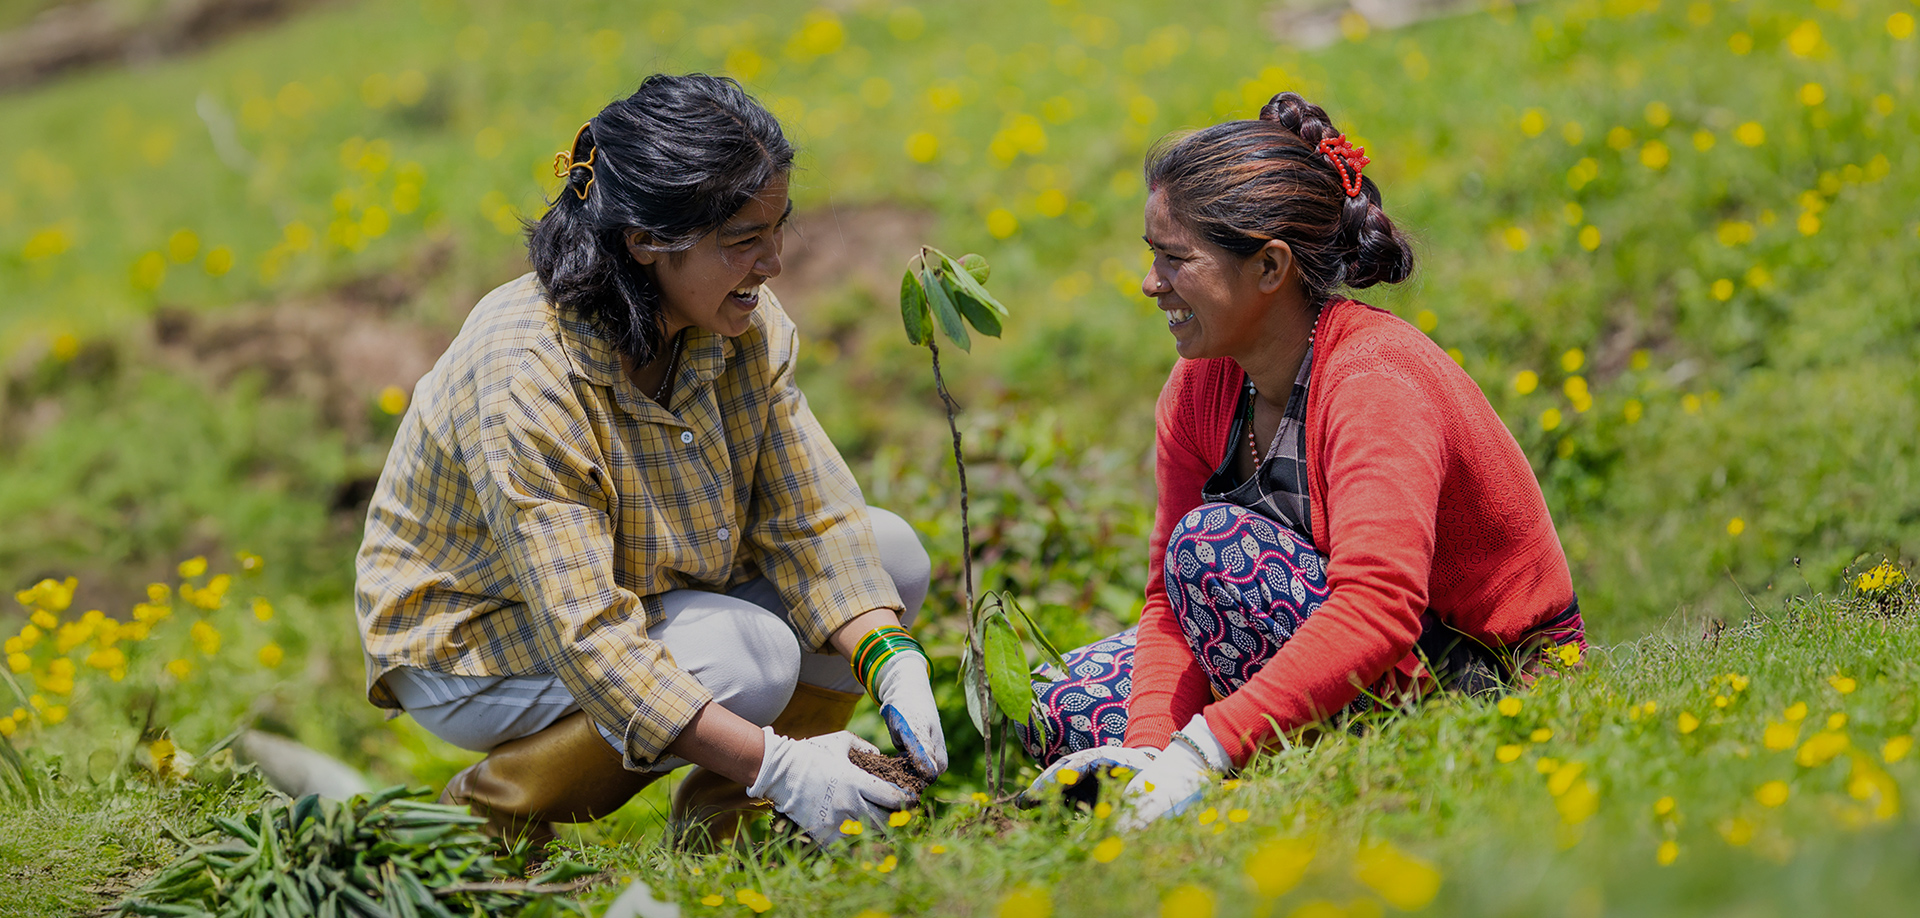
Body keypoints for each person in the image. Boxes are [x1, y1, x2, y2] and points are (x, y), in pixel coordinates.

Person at [353, 73, 946, 850]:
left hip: (643, 581)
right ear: (644, 242)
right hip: (480, 634)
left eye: (777, 229)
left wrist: (890, 656)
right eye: (742, 242)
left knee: (887, 556)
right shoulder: (526, 376)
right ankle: (482, 819)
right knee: (747, 655)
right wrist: (782, 763)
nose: (773, 262)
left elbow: (813, 516)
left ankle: (730, 829)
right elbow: (589, 635)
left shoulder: (739, 324)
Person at [1017, 92, 1583, 828]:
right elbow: (1167, 605)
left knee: (1213, 551)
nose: (1151, 283)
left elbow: (1379, 607)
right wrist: (1150, 751)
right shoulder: (1202, 386)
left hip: (1480, 678)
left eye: (1174, 259)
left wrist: (1207, 747)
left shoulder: (1375, 380)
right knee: (1062, 703)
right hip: (1321, 630)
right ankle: (1214, 777)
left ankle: (1280, 773)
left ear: (1269, 267)